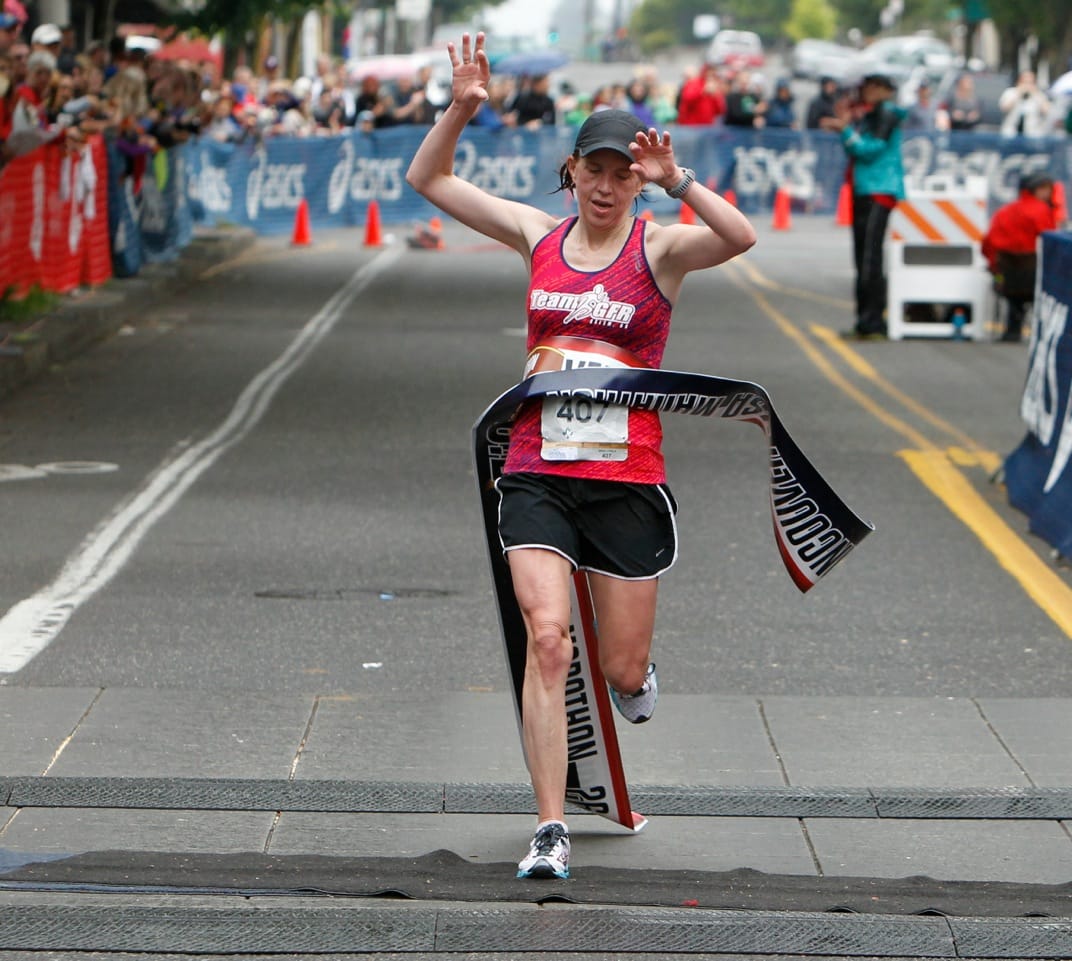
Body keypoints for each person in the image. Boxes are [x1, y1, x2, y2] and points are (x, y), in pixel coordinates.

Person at [405, 32, 756, 881]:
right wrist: (459, 109)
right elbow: (429, 181)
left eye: (622, 173)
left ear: (639, 178)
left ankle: (636, 681)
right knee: (548, 637)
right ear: (571, 172)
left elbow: (739, 237)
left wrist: (683, 182)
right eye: (594, 171)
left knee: (618, 667)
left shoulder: (661, 249)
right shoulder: (538, 234)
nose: (606, 187)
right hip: (535, 467)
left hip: (626, 475)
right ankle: (551, 826)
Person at [825, 72, 907, 339]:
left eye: (872, 87)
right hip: (866, 187)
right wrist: (847, 127)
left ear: (884, 89)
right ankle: (865, 320)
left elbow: (868, 150)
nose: (866, 92)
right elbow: (857, 148)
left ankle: (872, 321)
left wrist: (845, 130)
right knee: (863, 257)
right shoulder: (872, 115)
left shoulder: (886, 114)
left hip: (878, 189)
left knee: (870, 258)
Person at [981, 171, 1059, 342]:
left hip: (1005, 279)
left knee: (1012, 285)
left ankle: (1012, 327)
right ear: (1033, 189)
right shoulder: (1041, 211)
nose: (1048, 193)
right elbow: (1051, 244)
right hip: (1035, 279)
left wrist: (995, 268)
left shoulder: (1004, 212)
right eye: (1043, 188)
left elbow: (987, 243)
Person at [999, 70, 1050, 138]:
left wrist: (1036, 94)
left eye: (1030, 83)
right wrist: (1018, 93)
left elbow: (1047, 111)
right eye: (1025, 82)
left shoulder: (1039, 95)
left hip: (1032, 135)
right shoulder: (1010, 92)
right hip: (1011, 134)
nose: (1027, 85)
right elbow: (1004, 108)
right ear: (1019, 82)